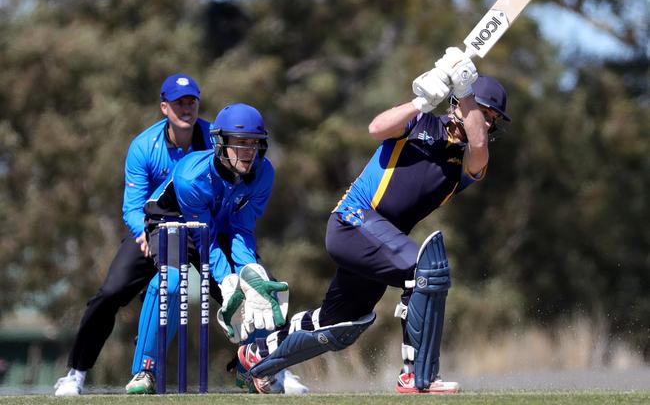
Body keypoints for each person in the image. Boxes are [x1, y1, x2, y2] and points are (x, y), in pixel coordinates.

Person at [236, 47, 512, 394]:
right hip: (353, 220)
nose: (486, 122)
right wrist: (421, 101)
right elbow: (376, 127)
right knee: (423, 270)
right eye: (484, 113)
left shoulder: (471, 160)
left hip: (379, 239)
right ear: (456, 106)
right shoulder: (423, 122)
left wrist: (465, 90)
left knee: (338, 325)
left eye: (491, 118)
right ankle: (416, 375)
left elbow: (479, 142)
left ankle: (259, 356)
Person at [124, 103, 308, 395]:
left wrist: (250, 271)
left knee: (258, 289)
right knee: (171, 284)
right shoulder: (191, 178)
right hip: (170, 219)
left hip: (218, 224)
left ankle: (257, 369)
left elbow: (241, 229)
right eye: (240, 144)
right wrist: (226, 280)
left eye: (254, 144)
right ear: (220, 143)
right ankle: (145, 370)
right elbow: (204, 239)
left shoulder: (264, 174)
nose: (248, 152)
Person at [54, 73, 212, 396]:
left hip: (198, 229)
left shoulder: (211, 140)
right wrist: (144, 233)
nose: (187, 109)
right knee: (110, 293)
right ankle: (76, 373)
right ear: (164, 107)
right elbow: (132, 207)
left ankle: (268, 371)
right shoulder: (144, 146)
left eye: (191, 102)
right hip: (151, 229)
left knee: (239, 286)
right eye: (179, 103)